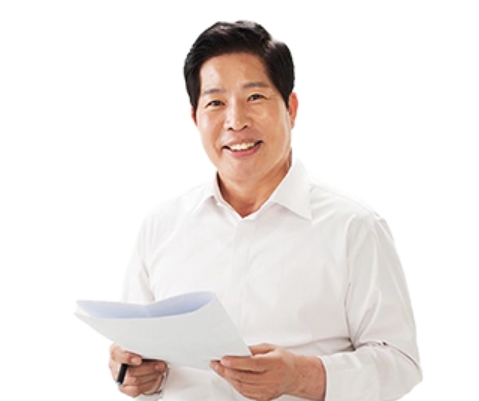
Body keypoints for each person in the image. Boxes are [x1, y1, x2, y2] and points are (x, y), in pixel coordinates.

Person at [108, 20, 422, 401]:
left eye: (254, 97)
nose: (236, 121)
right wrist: (134, 375)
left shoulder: (354, 227)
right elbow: (135, 358)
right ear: (195, 118)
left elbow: (400, 364)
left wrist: (300, 377)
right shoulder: (161, 226)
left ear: (291, 108)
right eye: (215, 103)